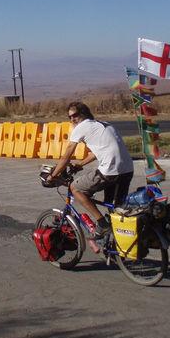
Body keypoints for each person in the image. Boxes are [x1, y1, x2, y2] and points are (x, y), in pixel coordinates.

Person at [45, 101, 134, 239]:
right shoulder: (104, 124)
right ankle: (119, 243)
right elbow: (97, 152)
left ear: (84, 113)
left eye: (75, 115)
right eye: (69, 117)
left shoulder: (82, 127)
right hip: (127, 170)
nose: (72, 119)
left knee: (75, 188)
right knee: (114, 208)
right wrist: (80, 164)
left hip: (110, 171)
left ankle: (102, 225)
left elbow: (67, 156)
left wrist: (53, 175)